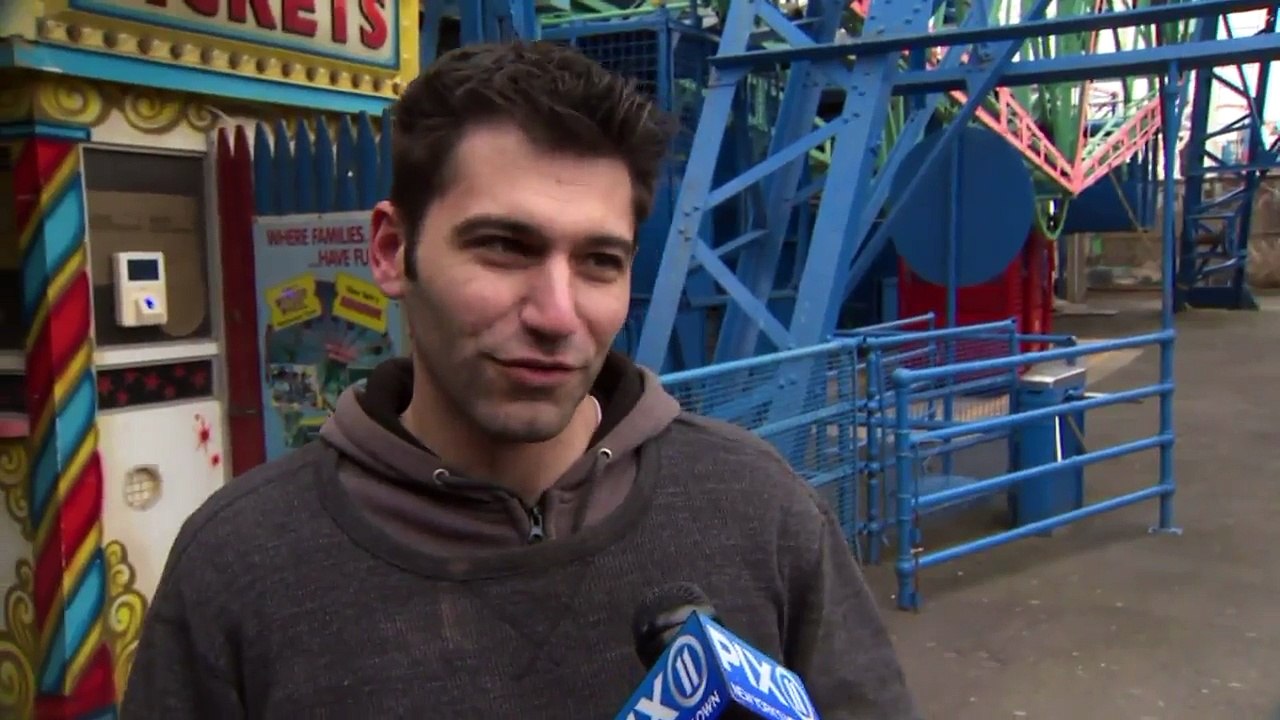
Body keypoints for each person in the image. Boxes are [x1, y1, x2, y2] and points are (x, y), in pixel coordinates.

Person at [121, 41, 919, 719]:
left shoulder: (760, 510)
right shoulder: (240, 568)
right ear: (392, 252)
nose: (557, 314)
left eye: (599, 261)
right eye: (504, 247)